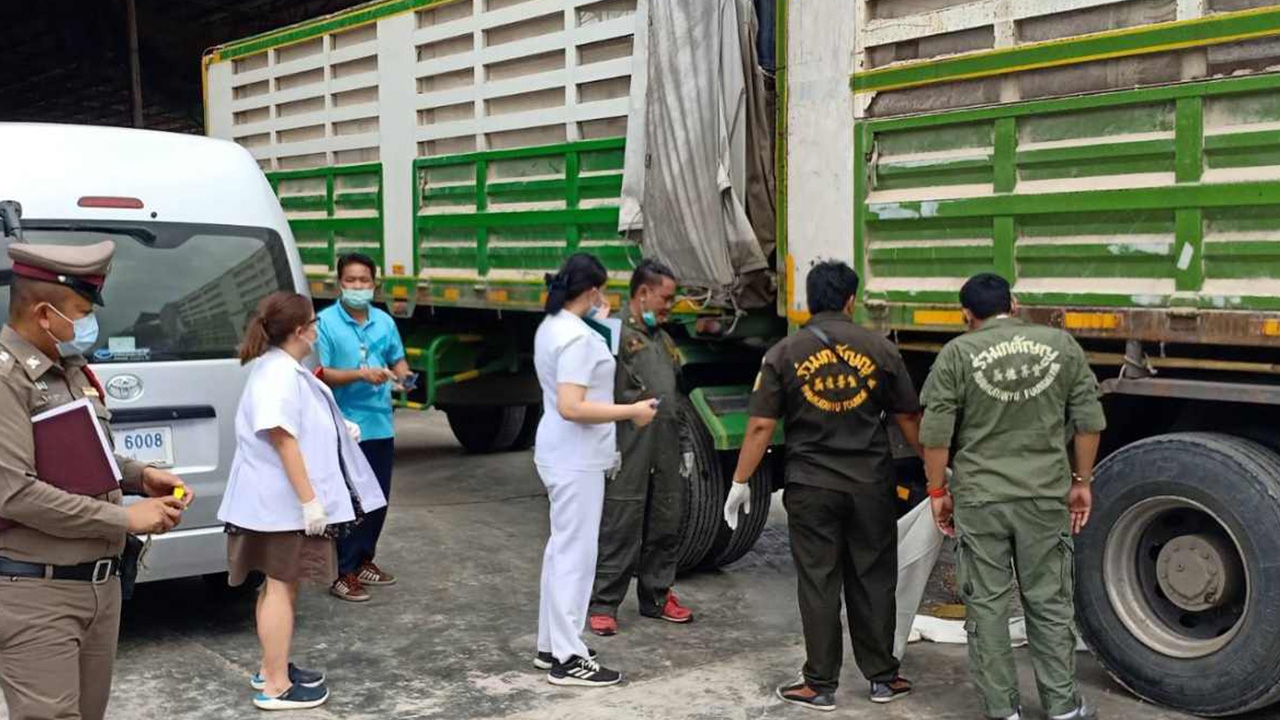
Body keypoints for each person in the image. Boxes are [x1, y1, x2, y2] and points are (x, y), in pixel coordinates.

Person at [0, 241, 191, 720]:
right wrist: (124, 517)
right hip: (37, 593)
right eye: (82, 313)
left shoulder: (68, 371)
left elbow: (86, 454)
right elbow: (14, 492)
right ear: (45, 315)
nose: (88, 325)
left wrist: (139, 476)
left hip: (99, 586)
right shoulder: (7, 379)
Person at [726, 260, 922, 712]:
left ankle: (819, 684)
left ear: (808, 302)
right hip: (871, 485)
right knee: (873, 578)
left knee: (819, 581)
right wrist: (937, 472)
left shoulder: (783, 353)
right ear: (851, 300)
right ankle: (883, 679)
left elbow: (759, 427)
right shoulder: (881, 349)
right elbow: (908, 418)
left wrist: (740, 482)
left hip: (811, 485)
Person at [919, 273, 1105, 720]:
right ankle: (1063, 707)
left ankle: (1003, 710)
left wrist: (938, 493)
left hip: (981, 499)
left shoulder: (956, 355)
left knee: (987, 606)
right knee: (1048, 602)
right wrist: (1081, 482)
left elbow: (936, 437)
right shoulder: (1061, 347)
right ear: (1015, 304)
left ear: (967, 314)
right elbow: (1088, 423)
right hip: (1043, 496)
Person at [217, 291, 387, 711]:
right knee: (279, 586)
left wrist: (336, 428)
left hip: (274, 503)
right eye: (312, 322)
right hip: (282, 506)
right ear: (299, 331)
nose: (317, 328)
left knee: (279, 587)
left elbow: (297, 424)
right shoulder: (278, 374)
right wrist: (310, 502)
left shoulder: (282, 369)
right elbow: (281, 436)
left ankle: (271, 667)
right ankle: (275, 686)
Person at [531, 252, 658, 687]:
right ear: (590, 291)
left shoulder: (553, 327)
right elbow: (573, 405)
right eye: (600, 291)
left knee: (561, 549)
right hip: (575, 456)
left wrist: (598, 324)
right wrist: (633, 411)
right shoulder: (577, 339)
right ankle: (568, 656)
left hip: (560, 452)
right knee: (576, 555)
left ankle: (551, 646)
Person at [588, 259, 693, 635]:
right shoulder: (611, 335)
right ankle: (603, 602)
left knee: (666, 518)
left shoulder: (662, 340)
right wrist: (604, 447)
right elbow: (596, 393)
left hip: (663, 444)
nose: (670, 305)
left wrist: (684, 445)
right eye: (666, 298)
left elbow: (674, 397)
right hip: (627, 444)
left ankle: (657, 596)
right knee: (621, 520)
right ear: (643, 293)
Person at [315, 252, 411, 603]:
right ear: (339, 283)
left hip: (380, 422)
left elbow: (396, 358)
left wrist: (404, 375)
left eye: (364, 281)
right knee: (349, 502)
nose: (358, 287)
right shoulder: (325, 323)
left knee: (378, 499)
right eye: (351, 281)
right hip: (345, 425)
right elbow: (322, 373)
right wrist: (360, 374)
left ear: (375, 283)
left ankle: (364, 559)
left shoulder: (384, 321)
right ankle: (342, 571)